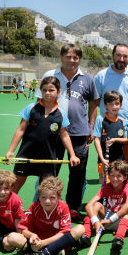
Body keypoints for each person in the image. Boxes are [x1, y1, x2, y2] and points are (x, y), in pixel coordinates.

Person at [38, 43, 99, 218]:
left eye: (75, 57)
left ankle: (72, 207)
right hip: (53, 133)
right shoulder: (50, 76)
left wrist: (91, 126)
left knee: (78, 174)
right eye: (68, 56)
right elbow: (39, 103)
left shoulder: (87, 78)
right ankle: (48, 207)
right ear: (61, 57)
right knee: (49, 172)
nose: (71, 60)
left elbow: (94, 103)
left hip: (80, 132)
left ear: (79, 59)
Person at [6, 77, 79, 194]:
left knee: (47, 189)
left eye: (51, 90)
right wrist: (11, 151)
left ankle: (42, 211)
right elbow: (20, 130)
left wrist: (72, 155)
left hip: (48, 156)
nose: (47, 93)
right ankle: (9, 210)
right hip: (26, 154)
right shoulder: (31, 108)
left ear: (58, 92)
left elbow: (64, 135)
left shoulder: (61, 113)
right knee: (16, 185)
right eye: (44, 90)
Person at [4, 177, 86, 255]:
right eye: (43, 197)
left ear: (59, 196)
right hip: (37, 241)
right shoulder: (34, 206)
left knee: (80, 229)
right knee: (10, 238)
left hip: (55, 240)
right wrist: (31, 235)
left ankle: (42, 254)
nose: (47, 201)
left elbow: (64, 233)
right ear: (39, 196)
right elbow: (23, 228)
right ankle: (54, 251)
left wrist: (43, 243)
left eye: (52, 198)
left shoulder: (63, 207)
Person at [94, 44, 128, 179]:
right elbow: (95, 101)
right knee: (108, 161)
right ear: (113, 55)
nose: (121, 59)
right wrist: (92, 124)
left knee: (127, 163)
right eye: (118, 55)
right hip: (108, 126)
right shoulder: (101, 76)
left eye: (125, 56)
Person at [82, 160, 128, 255]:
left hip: (126, 221)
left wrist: (110, 220)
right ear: (108, 175)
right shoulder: (106, 188)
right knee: (96, 205)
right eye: (112, 175)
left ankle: (119, 238)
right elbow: (89, 206)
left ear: (125, 177)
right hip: (110, 218)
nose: (115, 179)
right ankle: (86, 236)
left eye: (118, 176)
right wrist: (95, 222)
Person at [93, 90, 128, 177]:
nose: (114, 106)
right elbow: (97, 140)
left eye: (117, 103)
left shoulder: (122, 121)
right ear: (105, 105)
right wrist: (102, 158)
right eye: (110, 104)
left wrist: (115, 139)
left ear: (121, 104)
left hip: (120, 161)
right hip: (105, 160)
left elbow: (126, 139)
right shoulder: (100, 119)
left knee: (119, 185)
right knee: (106, 187)